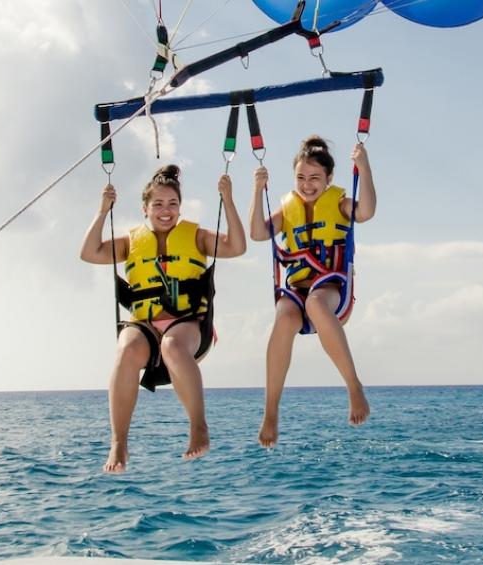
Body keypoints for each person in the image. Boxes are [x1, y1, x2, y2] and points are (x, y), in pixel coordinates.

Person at [81, 164, 246, 472]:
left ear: (180, 208)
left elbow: (237, 247)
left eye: (172, 204)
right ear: (145, 209)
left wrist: (229, 199)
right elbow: (89, 252)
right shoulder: (131, 242)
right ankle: (119, 442)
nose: (165, 210)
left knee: (171, 345)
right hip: (145, 326)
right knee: (126, 348)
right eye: (158, 204)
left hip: (188, 325)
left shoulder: (195, 236)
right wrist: (103, 211)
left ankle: (198, 425)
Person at [248, 136, 375, 448]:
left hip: (331, 287)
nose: (307, 184)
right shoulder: (287, 209)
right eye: (301, 178)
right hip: (295, 289)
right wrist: (256, 190)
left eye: (315, 178)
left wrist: (364, 167)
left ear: (329, 178)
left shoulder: (340, 203)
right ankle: (271, 411)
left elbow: (367, 212)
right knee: (283, 321)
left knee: (317, 304)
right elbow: (256, 233)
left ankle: (353, 386)